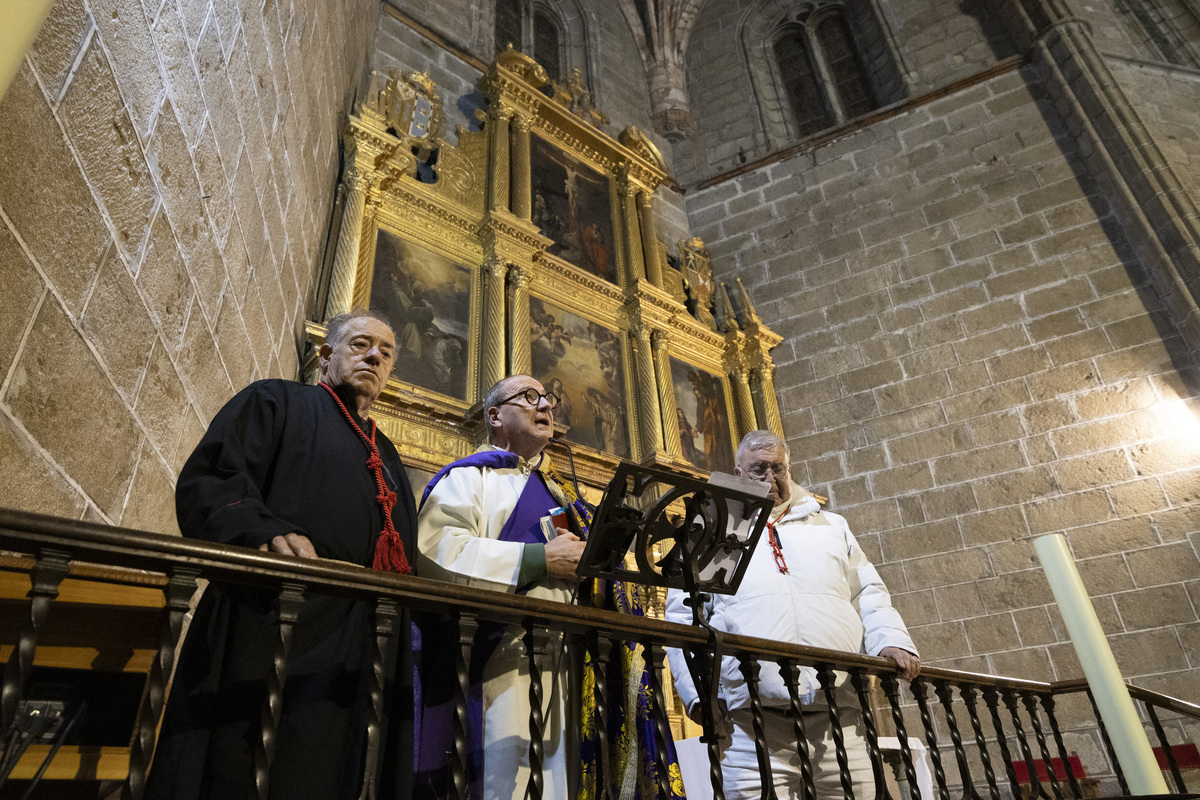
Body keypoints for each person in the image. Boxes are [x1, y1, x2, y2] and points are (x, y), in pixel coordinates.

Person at [147, 310, 418, 800]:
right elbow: (212, 480)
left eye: (386, 351)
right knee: (244, 769)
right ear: (326, 354)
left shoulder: (389, 455)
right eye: (360, 344)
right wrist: (263, 532)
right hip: (277, 619)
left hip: (360, 644)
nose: (375, 356)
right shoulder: (276, 400)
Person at [665, 430, 920, 800]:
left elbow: (867, 594)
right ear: (738, 473)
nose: (771, 478)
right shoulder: (708, 534)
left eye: (778, 468)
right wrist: (698, 694)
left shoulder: (831, 527)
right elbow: (684, 616)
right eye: (759, 469)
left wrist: (892, 640)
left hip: (839, 719)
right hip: (748, 726)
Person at [415, 375, 587, 800]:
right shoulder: (469, 479)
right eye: (529, 397)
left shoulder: (559, 493)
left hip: (559, 664)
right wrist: (538, 560)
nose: (545, 405)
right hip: (493, 658)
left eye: (547, 398)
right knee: (496, 782)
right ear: (495, 416)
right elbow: (438, 553)